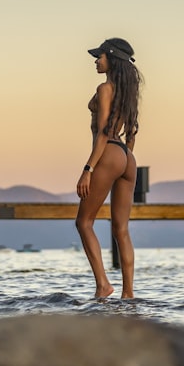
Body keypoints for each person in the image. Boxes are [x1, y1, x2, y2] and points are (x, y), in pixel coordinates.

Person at [76, 37, 143, 298]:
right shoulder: (128, 91)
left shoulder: (105, 88)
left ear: (111, 59)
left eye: (99, 56)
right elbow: (133, 131)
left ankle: (103, 285)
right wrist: (123, 161)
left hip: (109, 153)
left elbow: (104, 132)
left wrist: (88, 169)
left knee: (84, 222)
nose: (96, 60)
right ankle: (129, 294)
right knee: (122, 229)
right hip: (127, 157)